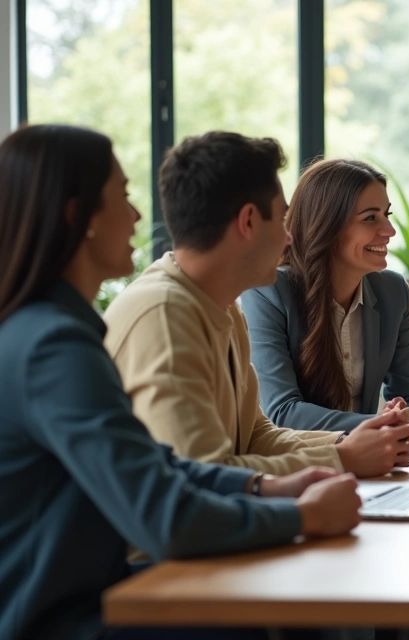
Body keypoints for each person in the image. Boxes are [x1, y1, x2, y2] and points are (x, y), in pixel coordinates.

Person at [0, 124, 362, 640]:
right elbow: (165, 519)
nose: (137, 215)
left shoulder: (56, 330)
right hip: (56, 618)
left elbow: (159, 467)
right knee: (282, 617)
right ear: (75, 217)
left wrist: (266, 485)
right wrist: (300, 518)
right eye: (122, 197)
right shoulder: (53, 348)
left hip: (91, 590)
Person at [103, 132, 409, 479]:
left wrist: (346, 447)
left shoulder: (222, 308)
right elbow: (204, 473)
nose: (290, 237)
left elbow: (256, 436)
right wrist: (341, 459)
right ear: (248, 222)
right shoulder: (164, 315)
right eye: (281, 219)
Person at [241, 158, 409, 433]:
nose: (389, 231)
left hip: (373, 462)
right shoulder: (267, 291)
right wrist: (381, 425)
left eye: (386, 215)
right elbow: (282, 412)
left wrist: (402, 420)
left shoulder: (393, 291)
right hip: (300, 464)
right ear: (327, 226)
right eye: (370, 218)